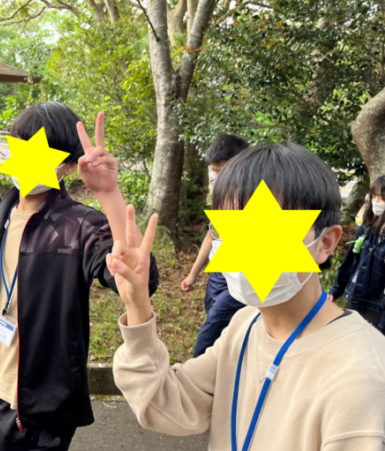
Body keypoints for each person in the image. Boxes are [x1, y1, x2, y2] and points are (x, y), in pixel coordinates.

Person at [110, 143, 385, 450]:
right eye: (230, 230)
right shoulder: (245, 324)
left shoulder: (359, 376)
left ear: (326, 242)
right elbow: (167, 404)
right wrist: (137, 305)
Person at [0, 104, 160, 451]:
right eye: (22, 147)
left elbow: (133, 277)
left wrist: (108, 195)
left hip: (47, 398)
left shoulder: (79, 226)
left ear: (69, 165)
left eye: (42, 153)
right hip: (0, 384)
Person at [181, 134, 249, 357]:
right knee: (218, 331)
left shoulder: (261, 197)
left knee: (206, 339)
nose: (218, 177)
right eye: (214, 172)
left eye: (222, 170)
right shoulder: (223, 197)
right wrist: (193, 275)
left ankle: (195, 373)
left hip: (242, 279)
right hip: (218, 277)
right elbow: (212, 236)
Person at [328, 175, 385, 333]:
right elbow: (351, 261)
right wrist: (336, 290)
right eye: (374, 196)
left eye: (382, 198)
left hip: (376, 309)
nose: (376, 202)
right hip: (354, 299)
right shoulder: (367, 228)